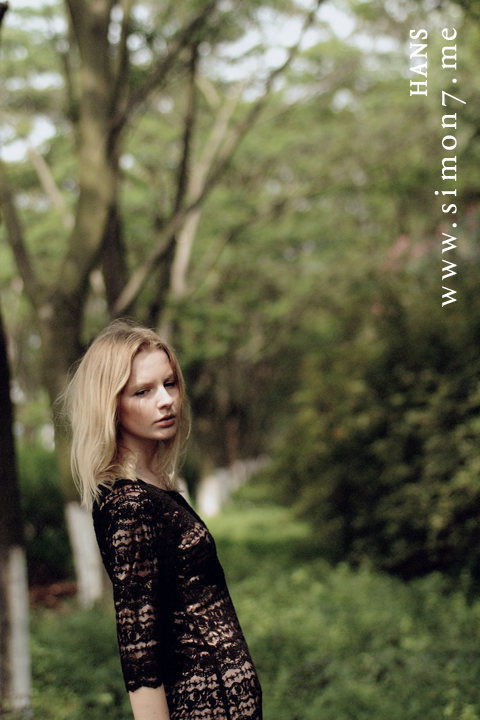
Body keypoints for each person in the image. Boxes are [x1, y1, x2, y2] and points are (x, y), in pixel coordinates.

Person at [65, 319, 262, 720]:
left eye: (169, 384)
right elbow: (141, 652)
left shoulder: (155, 489)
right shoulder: (130, 505)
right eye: (143, 391)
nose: (166, 400)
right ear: (110, 405)